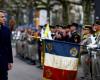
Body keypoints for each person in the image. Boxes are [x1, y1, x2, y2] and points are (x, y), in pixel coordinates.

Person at [0, 10, 13, 80]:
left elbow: (9, 46)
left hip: (3, 62)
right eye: (2, 17)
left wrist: (10, 61)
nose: (4, 18)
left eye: (4, 17)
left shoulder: (7, 30)